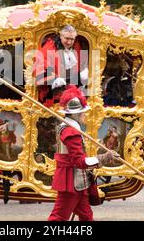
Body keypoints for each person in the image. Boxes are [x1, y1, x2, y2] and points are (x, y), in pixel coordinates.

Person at [48, 86, 119, 221]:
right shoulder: (71, 131)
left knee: (86, 216)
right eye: (83, 113)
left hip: (78, 180)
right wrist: (103, 158)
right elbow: (79, 161)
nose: (84, 115)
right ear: (76, 114)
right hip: (71, 180)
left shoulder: (69, 128)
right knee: (58, 218)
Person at [35, 25, 88, 107]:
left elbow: (79, 66)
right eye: (67, 38)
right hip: (52, 91)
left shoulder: (76, 46)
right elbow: (41, 68)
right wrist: (55, 79)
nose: (69, 42)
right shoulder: (49, 47)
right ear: (61, 36)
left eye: (72, 39)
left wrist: (82, 73)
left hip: (70, 88)